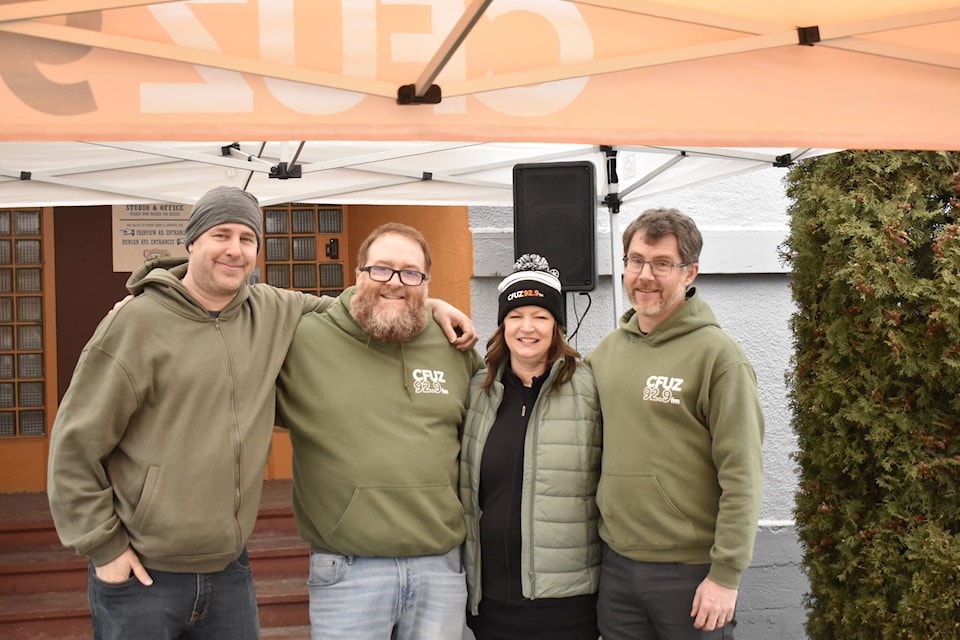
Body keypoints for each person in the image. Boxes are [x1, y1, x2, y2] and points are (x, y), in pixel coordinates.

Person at [46, 187, 476, 640]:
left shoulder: (270, 309)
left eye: (247, 239)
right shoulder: (136, 323)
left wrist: (426, 303)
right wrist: (104, 547)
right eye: (221, 234)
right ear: (192, 241)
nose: (234, 249)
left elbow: (358, 307)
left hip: (230, 571)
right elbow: (74, 447)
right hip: (143, 572)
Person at [275, 222, 484, 640]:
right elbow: (239, 305)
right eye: (381, 270)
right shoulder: (304, 341)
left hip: (440, 568)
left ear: (426, 282)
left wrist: (434, 306)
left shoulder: (454, 346)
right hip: (348, 570)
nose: (395, 282)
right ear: (357, 275)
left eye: (411, 273)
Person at [587, 207, 764, 639]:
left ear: (690, 273)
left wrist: (725, 575)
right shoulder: (606, 353)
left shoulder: (718, 358)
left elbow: (743, 475)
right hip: (616, 567)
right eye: (635, 260)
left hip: (690, 575)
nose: (645, 275)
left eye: (662, 263)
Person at [460, 254, 602, 640]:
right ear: (502, 324)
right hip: (491, 603)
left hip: (568, 605)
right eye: (515, 315)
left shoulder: (590, 388)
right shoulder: (477, 390)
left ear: (557, 326)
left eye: (540, 316)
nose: (527, 328)